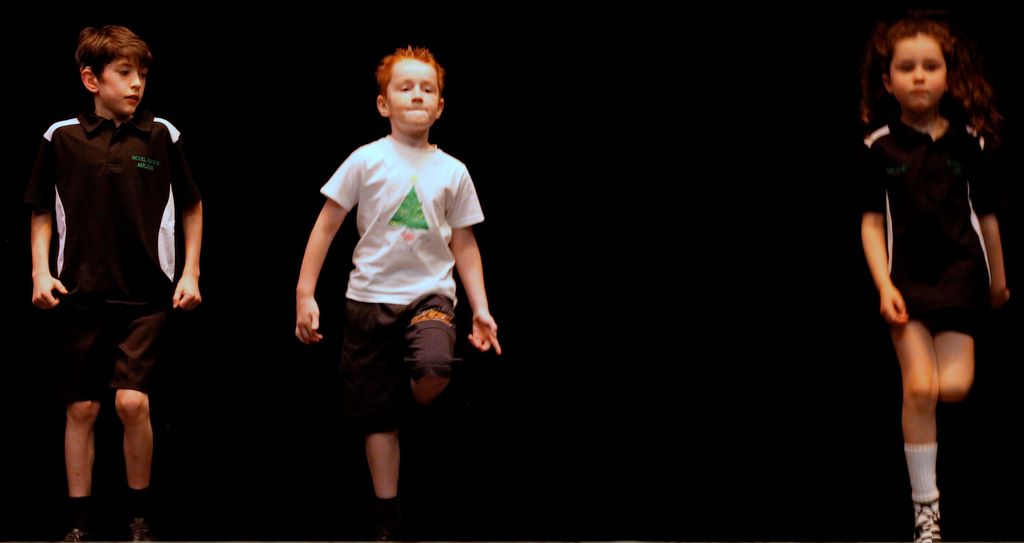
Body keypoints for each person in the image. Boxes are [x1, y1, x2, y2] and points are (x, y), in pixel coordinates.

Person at [295, 45, 500, 541]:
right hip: (368, 300)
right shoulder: (366, 159)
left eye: (427, 89)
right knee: (377, 420)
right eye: (405, 88)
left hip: (430, 296)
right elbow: (326, 226)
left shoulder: (453, 170)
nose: (417, 95)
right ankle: (387, 517)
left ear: (440, 106)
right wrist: (305, 293)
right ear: (383, 104)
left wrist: (481, 308)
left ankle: (409, 396)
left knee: (433, 369)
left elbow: (465, 243)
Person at [25, 25, 203, 542]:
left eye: (141, 73)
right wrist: (40, 272)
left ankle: (139, 518)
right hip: (79, 294)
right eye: (124, 73)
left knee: (131, 402)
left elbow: (192, 204)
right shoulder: (61, 136)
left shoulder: (161, 135)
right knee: (81, 407)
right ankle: (79, 523)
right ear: (91, 79)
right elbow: (40, 208)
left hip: (146, 295)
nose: (136, 83)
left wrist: (190, 271)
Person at [858, 15, 1010, 543]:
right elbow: (871, 222)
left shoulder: (971, 143)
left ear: (948, 75)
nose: (919, 76)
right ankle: (927, 513)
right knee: (920, 387)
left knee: (954, 388)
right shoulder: (879, 147)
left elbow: (987, 216)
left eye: (930, 66)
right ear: (888, 81)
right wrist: (884, 286)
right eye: (906, 68)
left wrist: (998, 279)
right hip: (907, 286)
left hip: (961, 283)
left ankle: (925, 413)